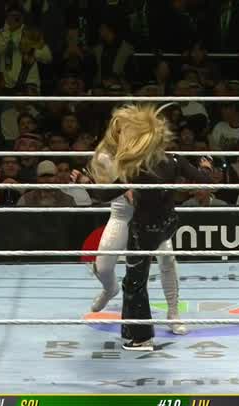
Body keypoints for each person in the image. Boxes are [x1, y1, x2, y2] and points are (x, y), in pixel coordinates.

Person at [71, 105, 213, 347]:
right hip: (123, 216)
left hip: (148, 219)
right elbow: (107, 192)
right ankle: (110, 291)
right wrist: (92, 182)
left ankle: (171, 314)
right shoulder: (106, 157)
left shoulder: (154, 159)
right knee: (105, 268)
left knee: (164, 261)